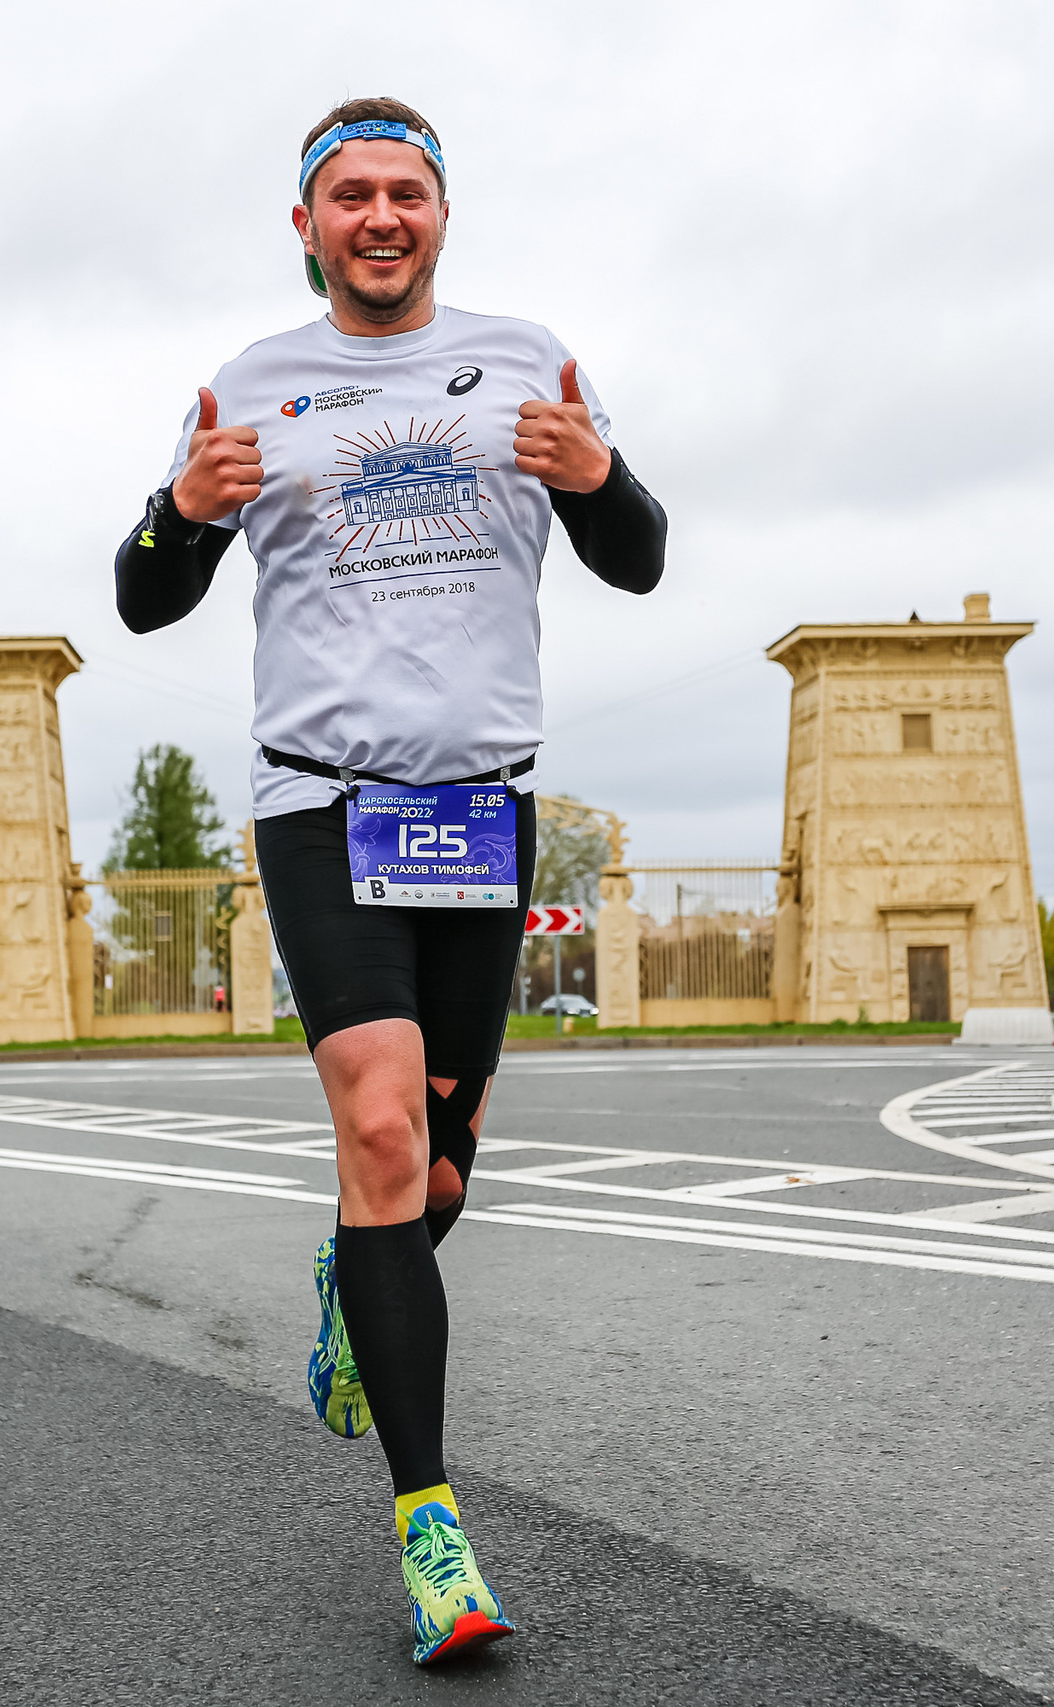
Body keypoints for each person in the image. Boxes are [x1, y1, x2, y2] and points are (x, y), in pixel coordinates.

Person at [113, 97, 666, 1665]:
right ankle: (433, 1530)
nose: (379, 216)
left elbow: (639, 556)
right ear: (306, 223)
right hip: (321, 802)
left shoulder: (527, 360)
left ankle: (358, 1271)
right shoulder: (250, 386)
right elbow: (144, 599)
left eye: (404, 192)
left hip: (479, 811)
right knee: (376, 1126)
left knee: (432, 1180)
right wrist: (178, 514)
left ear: (440, 214)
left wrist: (598, 472)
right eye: (349, 193)